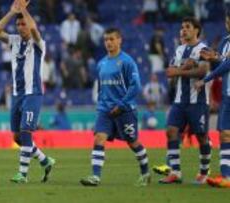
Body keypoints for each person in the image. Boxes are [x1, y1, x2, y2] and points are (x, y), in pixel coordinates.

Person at [0, 0, 55, 183]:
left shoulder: (38, 43)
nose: (21, 27)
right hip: (17, 95)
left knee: (26, 132)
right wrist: (12, 12)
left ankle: (23, 174)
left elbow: (34, 28)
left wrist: (24, 10)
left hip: (33, 93)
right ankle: (45, 160)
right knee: (18, 137)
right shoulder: (14, 41)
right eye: (18, 24)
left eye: (23, 24)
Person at [79, 28, 150, 187]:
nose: (108, 43)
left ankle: (145, 172)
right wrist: (100, 105)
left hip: (124, 109)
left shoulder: (127, 61)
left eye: (111, 39)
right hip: (105, 110)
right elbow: (101, 88)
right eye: (106, 40)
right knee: (99, 138)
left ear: (119, 40)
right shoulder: (101, 63)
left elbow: (136, 86)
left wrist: (122, 104)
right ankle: (95, 176)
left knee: (133, 142)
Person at [159, 17, 211, 184]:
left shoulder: (204, 49)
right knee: (171, 131)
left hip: (198, 101)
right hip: (180, 101)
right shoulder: (179, 50)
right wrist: (185, 68)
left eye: (187, 27)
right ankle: (175, 172)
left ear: (196, 30)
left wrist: (181, 71)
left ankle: (204, 172)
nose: (184, 30)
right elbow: (169, 73)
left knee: (201, 136)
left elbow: (203, 72)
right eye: (182, 27)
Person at [193, 11, 230, 188]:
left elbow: (226, 66)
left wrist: (205, 79)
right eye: (228, 22)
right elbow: (223, 61)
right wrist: (215, 57)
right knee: (224, 134)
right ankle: (226, 176)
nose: (228, 25)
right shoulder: (224, 42)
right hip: (227, 95)